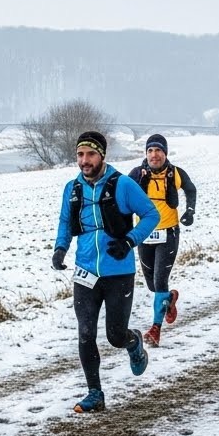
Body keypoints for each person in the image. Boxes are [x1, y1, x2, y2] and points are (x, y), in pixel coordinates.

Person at [53, 130, 159, 413]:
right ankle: (94, 393)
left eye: (90, 154)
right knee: (85, 333)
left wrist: (129, 241)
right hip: (85, 270)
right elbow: (65, 220)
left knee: (114, 335)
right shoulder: (72, 188)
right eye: (80, 155)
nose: (84, 161)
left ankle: (132, 341)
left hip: (118, 271)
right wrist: (60, 248)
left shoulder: (122, 184)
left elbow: (151, 214)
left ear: (102, 155)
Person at [128, 133, 197, 348]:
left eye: (158, 150)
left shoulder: (175, 173)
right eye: (150, 150)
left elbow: (190, 188)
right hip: (144, 234)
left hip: (169, 233)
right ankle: (170, 298)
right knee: (151, 284)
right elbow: (121, 194)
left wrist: (190, 211)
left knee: (159, 281)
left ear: (165, 153)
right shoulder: (137, 174)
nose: (154, 155)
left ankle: (155, 328)